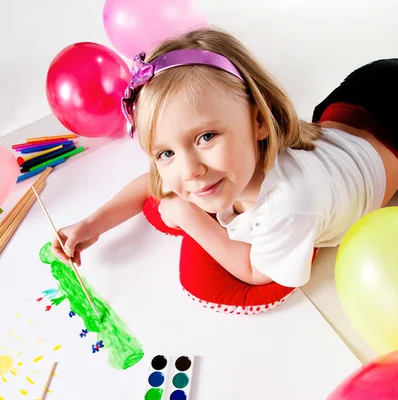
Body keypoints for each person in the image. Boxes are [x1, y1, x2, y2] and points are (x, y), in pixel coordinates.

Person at [52, 28, 398, 288]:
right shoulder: (216, 167)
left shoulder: (289, 204)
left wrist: (189, 217)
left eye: (206, 136)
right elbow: (150, 184)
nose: (189, 170)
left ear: (260, 120)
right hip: (357, 110)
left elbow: (255, 272)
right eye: (166, 152)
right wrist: (91, 224)